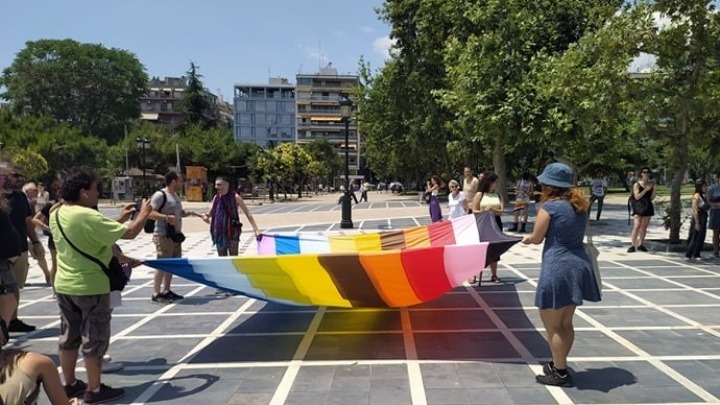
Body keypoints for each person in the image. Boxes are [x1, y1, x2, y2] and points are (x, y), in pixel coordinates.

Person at [49, 167, 151, 404]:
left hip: (65, 286)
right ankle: (94, 390)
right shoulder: (88, 216)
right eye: (95, 189)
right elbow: (130, 233)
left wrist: (120, 219)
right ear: (83, 192)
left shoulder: (57, 213)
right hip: (91, 286)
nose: (98, 194)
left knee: (69, 336)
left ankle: (70, 384)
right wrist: (144, 214)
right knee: (94, 338)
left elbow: (93, 235)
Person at [520, 162, 601, 387]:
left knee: (553, 326)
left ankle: (560, 372)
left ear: (549, 185)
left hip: (557, 267)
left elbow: (537, 237)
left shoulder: (549, 207)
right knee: (566, 323)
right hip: (578, 265)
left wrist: (528, 239)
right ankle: (559, 362)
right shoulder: (579, 206)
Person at [0, 162, 39, 333]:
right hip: (3, 255)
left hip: (19, 249)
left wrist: (35, 242)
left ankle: (11, 322)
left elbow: (28, 221)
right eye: (12, 176)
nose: (16, 179)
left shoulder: (20, 197)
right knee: (8, 292)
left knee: (14, 289)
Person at [150, 171, 198, 304]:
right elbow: (149, 213)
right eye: (180, 181)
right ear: (173, 182)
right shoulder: (160, 195)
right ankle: (156, 293)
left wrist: (190, 213)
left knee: (171, 264)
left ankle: (166, 290)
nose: (182, 184)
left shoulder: (175, 196)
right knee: (162, 263)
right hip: (163, 235)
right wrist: (166, 217)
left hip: (175, 236)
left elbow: (179, 213)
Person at [201, 176, 261, 257]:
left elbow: (248, 214)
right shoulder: (216, 197)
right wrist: (205, 216)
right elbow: (209, 213)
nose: (216, 187)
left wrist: (256, 230)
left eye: (219, 185)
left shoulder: (235, 197)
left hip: (232, 232)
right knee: (222, 260)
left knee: (233, 258)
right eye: (216, 185)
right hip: (219, 234)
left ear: (227, 185)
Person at [470, 171, 504, 283]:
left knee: (494, 249)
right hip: (483, 223)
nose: (495, 184)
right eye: (494, 182)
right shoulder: (480, 195)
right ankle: (474, 274)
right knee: (480, 249)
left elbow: (501, 211)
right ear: (488, 182)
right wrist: (485, 212)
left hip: (496, 223)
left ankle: (494, 274)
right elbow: (474, 210)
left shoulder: (498, 195)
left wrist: (493, 210)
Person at [22, 182, 52, 285]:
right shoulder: (27, 202)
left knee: (36, 256)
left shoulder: (30, 201)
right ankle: (47, 276)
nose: (37, 192)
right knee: (39, 255)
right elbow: (30, 219)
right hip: (28, 234)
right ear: (27, 191)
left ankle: (47, 276)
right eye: (35, 190)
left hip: (27, 234)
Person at [628, 167, 656, 252]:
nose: (646, 174)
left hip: (647, 205)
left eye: (648, 172)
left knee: (644, 226)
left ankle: (641, 244)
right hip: (638, 205)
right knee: (637, 225)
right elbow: (637, 197)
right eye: (644, 172)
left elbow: (652, 198)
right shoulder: (637, 184)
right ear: (641, 174)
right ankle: (633, 245)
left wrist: (654, 189)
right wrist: (646, 189)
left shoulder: (651, 184)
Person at [686, 179, 709, 261]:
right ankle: (691, 253)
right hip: (698, 217)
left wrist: (707, 194)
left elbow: (708, 205)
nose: (706, 187)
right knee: (695, 236)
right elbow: (694, 210)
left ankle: (697, 253)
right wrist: (697, 223)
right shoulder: (696, 196)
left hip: (704, 216)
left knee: (701, 236)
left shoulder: (703, 196)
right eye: (704, 186)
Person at [708, 171, 720, 258]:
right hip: (715, 212)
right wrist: (716, 205)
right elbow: (708, 201)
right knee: (716, 232)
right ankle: (716, 251)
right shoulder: (712, 188)